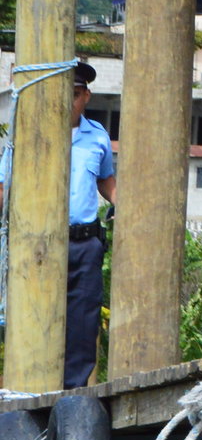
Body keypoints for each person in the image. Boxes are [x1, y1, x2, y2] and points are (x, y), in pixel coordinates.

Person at [0, 61, 118, 387]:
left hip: (83, 243)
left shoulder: (98, 137)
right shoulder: (28, 134)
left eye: (76, 94)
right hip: (36, 242)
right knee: (33, 315)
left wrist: (122, 205)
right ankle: (30, 387)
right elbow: (3, 186)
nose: (69, 100)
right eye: (63, 93)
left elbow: (106, 181)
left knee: (83, 320)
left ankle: (73, 394)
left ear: (86, 97)